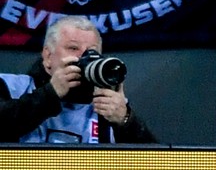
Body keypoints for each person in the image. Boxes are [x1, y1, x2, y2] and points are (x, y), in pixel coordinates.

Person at [0, 15, 156, 144]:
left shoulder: (107, 103)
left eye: (92, 51)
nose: (84, 58)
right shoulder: (9, 86)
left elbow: (154, 166)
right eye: (73, 48)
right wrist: (50, 94)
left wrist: (125, 120)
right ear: (48, 56)